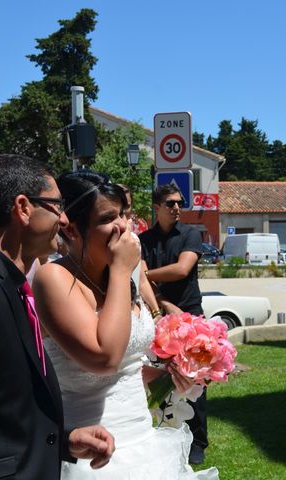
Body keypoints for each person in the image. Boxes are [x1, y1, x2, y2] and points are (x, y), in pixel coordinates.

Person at [32, 170, 218, 479]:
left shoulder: (120, 276)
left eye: (123, 215)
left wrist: (168, 377)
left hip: (144, 444)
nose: (122, 226)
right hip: (90, 455)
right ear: (73, 229)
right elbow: (104, 359)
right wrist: (121, 270)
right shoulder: (54, 278)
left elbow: (125, 368)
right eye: (108, 218)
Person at [0, 155, 115, 479]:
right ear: (23, 208)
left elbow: (2, 409)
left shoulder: (9, 285)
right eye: (56, 206)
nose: (65, 219)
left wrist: (64, 441)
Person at [139, 183, 209, 465]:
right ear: (157, 208)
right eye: (170, 203)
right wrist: (160, 300)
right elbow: (140, 280)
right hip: (158, 316)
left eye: (180, 202)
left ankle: (198, 442)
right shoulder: (144, 240)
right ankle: (164, 434)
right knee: (159, 378)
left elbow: (182, 269)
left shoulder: (191, 234)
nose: (177, 207)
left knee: (196, 381)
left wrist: (145, 275)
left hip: (190, 317)